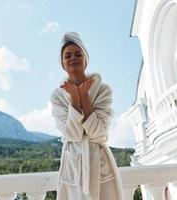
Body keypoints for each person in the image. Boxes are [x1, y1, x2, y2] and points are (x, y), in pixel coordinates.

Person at [50, 31, 123, 200]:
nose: (73, 58)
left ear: (85, 59)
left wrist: (84, 97)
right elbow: (73, 135)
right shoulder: (58, 95)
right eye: (67, 56)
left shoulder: (103, 90)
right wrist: (74, 99)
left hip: (100, 162)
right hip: (72, 163)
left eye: (78, 54)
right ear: (62, 63)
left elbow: (98, 132)